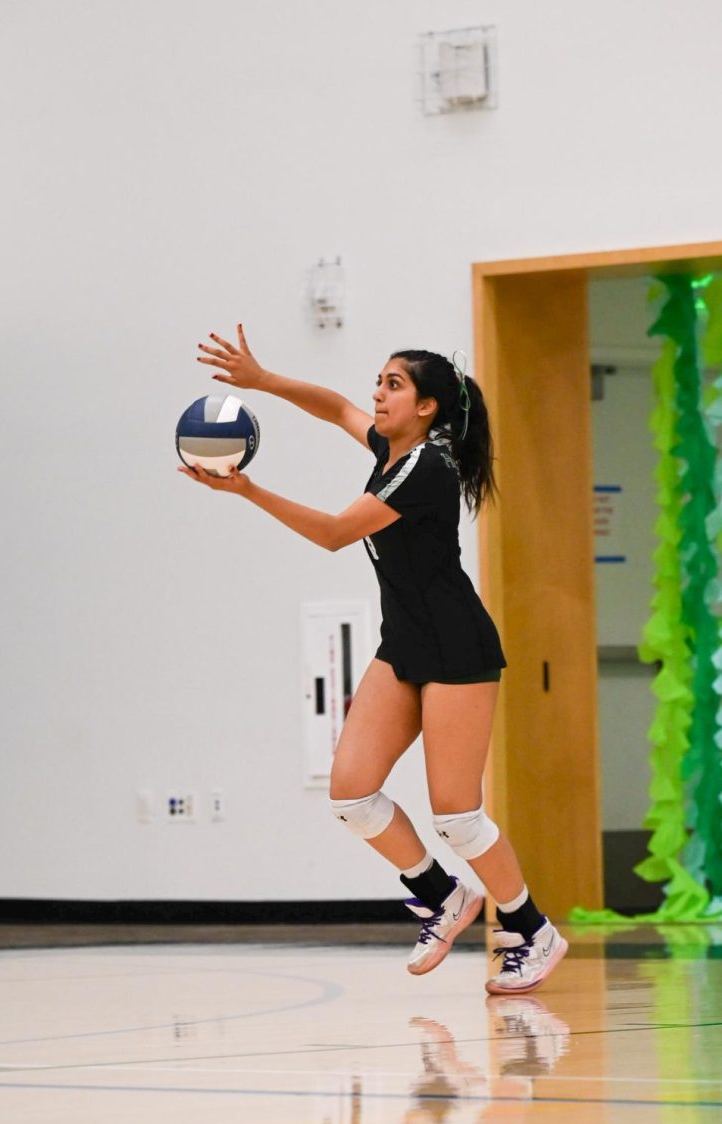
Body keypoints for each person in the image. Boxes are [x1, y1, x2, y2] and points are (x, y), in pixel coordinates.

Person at [180, 325, 568, 994]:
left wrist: (248, 491)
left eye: (394, 385)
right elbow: (335, 407)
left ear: (427, 407)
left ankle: (531, 927)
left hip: (456, 648)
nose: (377, 395)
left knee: (457, 815)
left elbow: (333, 534)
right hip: (406, 644)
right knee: (352, 794)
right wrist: (262, 379)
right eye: (380, 382)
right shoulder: (391, 451)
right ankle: (441, 895)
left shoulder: (427, 467)